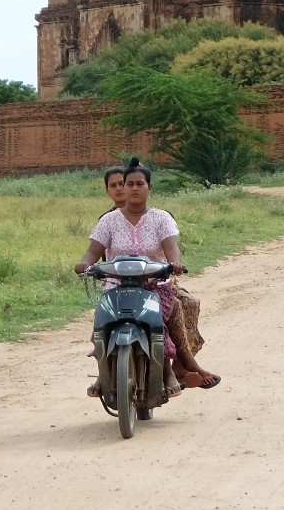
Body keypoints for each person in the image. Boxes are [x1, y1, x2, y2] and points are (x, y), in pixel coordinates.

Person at [74, 158, 221, 395]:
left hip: (155, 285)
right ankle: (104, 373)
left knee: (158, 320)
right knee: (101, 323)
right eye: (129, 183)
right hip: (115, 285)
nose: (132, 188)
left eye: (139, 183)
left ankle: (168, 371)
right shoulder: (108, 220)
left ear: (148, 188)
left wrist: (174, 263)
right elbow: (93, 251)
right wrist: (84, 263)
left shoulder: (161, 218)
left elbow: (171, 247)